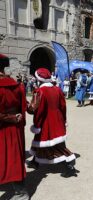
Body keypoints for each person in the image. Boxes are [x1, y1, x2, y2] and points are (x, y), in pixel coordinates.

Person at [27, 68, 78, 178]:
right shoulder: (57, 89)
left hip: (46, 121)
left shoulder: (40, 91)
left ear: (39, 79)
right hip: (58, 119)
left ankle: (69, 166)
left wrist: (27, 107)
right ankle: (35, 161)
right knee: (41, 141)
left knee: (54, 145)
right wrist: (63, 119)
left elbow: (36, 109)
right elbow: (63, 106)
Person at [0, 54, 29, 199]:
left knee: (9, 158)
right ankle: (20, 190)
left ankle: (21, 192)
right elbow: (23, 108)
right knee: (14, 158)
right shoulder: (18, 86)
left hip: (4, 127)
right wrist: (17, 120)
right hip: (14, 128)